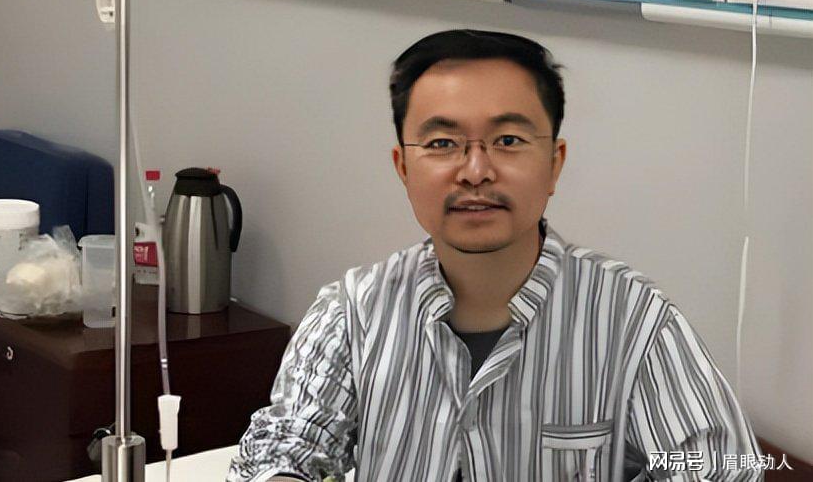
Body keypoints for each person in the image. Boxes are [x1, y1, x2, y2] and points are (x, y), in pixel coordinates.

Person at [226, 30, 762, 481]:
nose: (476, 171)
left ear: (554, 163)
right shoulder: (354, 312)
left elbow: (722, 468)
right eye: (442, 144)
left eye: (507, 140)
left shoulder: (632, 321)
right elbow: (283, 448)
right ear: (402, 167)